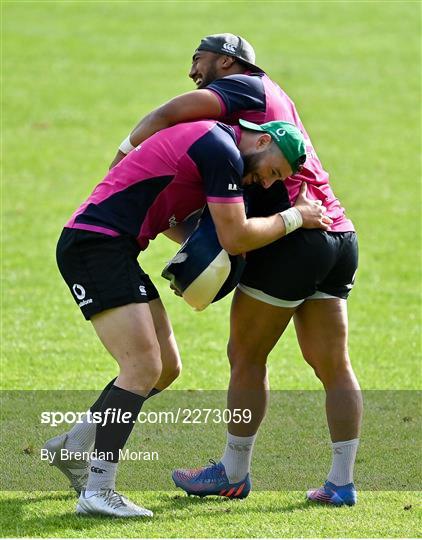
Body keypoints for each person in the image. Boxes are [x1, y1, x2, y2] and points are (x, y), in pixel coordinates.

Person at [111, 33, 362, 506]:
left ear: (227, 62)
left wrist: (122, 158)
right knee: (333, 364)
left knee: (246, 356)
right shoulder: (274, 101)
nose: (193, 71)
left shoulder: (245, 85)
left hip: (292, 238)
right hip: (340, 235)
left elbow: (168, 114)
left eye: (199, 60)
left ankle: (233, 471)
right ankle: (342, 482)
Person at [45, 117, 330, 517]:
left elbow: (185, 224)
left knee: (165, 368)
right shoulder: (220, 149)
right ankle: (98, 490)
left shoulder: (218, 147)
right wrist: (296, 216)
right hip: (94, 245)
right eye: (273, 171)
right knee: (142, 366)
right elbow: (234, 236)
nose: (267, 183)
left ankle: (73, 445)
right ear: (263, 140)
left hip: (117, 248)